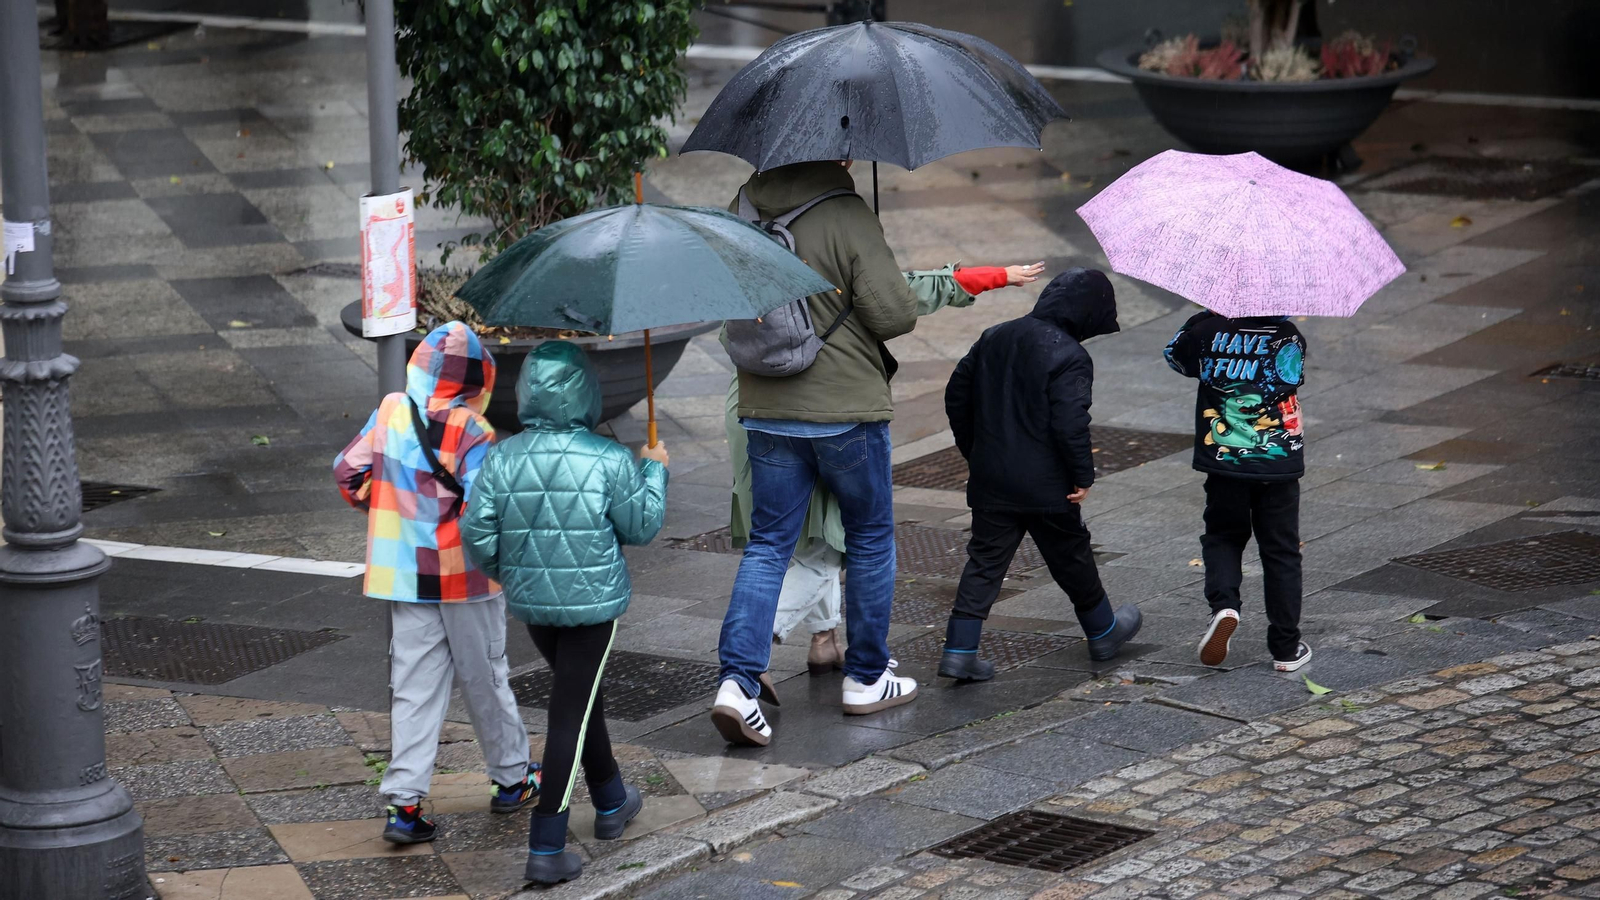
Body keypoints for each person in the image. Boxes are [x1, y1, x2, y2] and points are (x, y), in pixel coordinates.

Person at [725, 262, 1045, 676]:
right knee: (826, 547)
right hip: (822, 410)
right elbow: (901, 293)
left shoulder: (754, 255)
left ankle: (825, 641)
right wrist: (992, 276)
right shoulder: (834, 253)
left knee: (798, 539)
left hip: (752, 408)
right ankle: (746, 656)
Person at [713, 159, 923, 747]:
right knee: (871, 537)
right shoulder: (846, 212)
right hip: (844, 409)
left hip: (765, 405)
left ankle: (737, 683)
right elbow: (894, 314)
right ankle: (865, 677)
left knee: (768, 544)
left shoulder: (743, 210)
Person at [460, 341, 668, 886]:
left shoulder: (504, 456)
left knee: (580, 695)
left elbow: (476, 534)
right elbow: (641, 526)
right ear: (586, 392)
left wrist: (514, 572)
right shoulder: (608, 458)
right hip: (593, 604)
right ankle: (546, 843)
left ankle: (611, 799)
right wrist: (656, 471)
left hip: (534, 604)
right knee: (568, 713)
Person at [332, 321, 537, 845]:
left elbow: (348, 473)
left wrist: (390, 510)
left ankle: (405, 806)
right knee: (486, 677)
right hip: (464, 578)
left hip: (404, 574)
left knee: (414, 687)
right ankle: (512, 780)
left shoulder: (391, 409)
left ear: (420, 362)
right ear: (478, 377)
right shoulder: (474, 430)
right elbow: (482, 509)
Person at [939, 269, 1143, 680]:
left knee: (984, 562)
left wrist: (976, 452)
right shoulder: (1069, 354)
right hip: (1047, 485)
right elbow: (1069, 423)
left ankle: (959, 650)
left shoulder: (995, 335)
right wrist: (1083, 475)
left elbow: (956, 394)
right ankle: (1102, 630)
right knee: (1071, 555)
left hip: (993, 479)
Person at [1164, 310, 1311, 672]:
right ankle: (1285, 648)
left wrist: (1202, 320)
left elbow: (1175, 357)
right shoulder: (1288, 335)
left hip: (1225, 460)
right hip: (1277, 461)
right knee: (1281, 551)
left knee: (1223, 537)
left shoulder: (1207, 330)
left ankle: (1225, 606)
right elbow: (1291, 377)